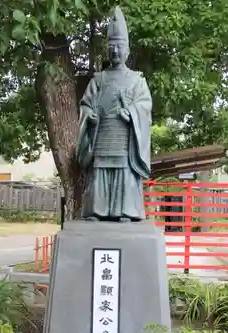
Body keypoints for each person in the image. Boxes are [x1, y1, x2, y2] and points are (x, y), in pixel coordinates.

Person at [76, 6, 152, 222]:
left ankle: (125, 212)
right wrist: (89, 115)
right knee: (99, 173)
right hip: (102, 138)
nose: (116, 52)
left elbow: (145, 106)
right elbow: (85, 105)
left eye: (120, 47)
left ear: (127, 50)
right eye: (112, 47)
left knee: (124, 174)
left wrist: (132, 112)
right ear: (107, 51)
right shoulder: (98, 81)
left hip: (124, 142)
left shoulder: (137, 81)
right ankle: (96, 211)